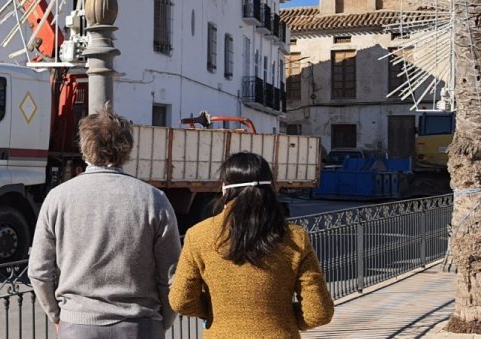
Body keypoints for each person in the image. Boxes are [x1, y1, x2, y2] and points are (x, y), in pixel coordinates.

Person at [28, 104, 181, 338]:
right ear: (127, 149)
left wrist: (57, 315)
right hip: (140, 324)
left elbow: (39, 271)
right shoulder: (153, 200)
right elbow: (171, 276)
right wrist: (163, 321)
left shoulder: (58, 198)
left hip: (78, 325)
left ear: (84, 148)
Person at [169, 152, 334, 337]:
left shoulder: (198, 235)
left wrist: (217, 312)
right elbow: (319, 313)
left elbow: (181, 300)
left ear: (225, 188)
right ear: (272, 187)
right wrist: (282, 320)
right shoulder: (295, 238)